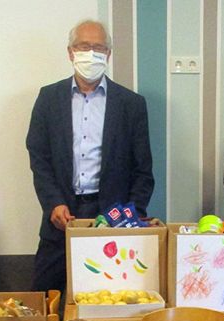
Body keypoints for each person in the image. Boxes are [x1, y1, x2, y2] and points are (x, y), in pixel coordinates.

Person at [27, 19, 154, 295]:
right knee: (46, 296)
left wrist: (129, 216)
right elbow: (39, 158)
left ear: (108, 54)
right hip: (61, 216)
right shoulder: (48, 98)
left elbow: (143, 171)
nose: (91, 53)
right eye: (84, 46)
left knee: (110, 296)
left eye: (98, 48)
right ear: (71, 52)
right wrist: (53, 203)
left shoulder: (131, 104)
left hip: (111, 217)